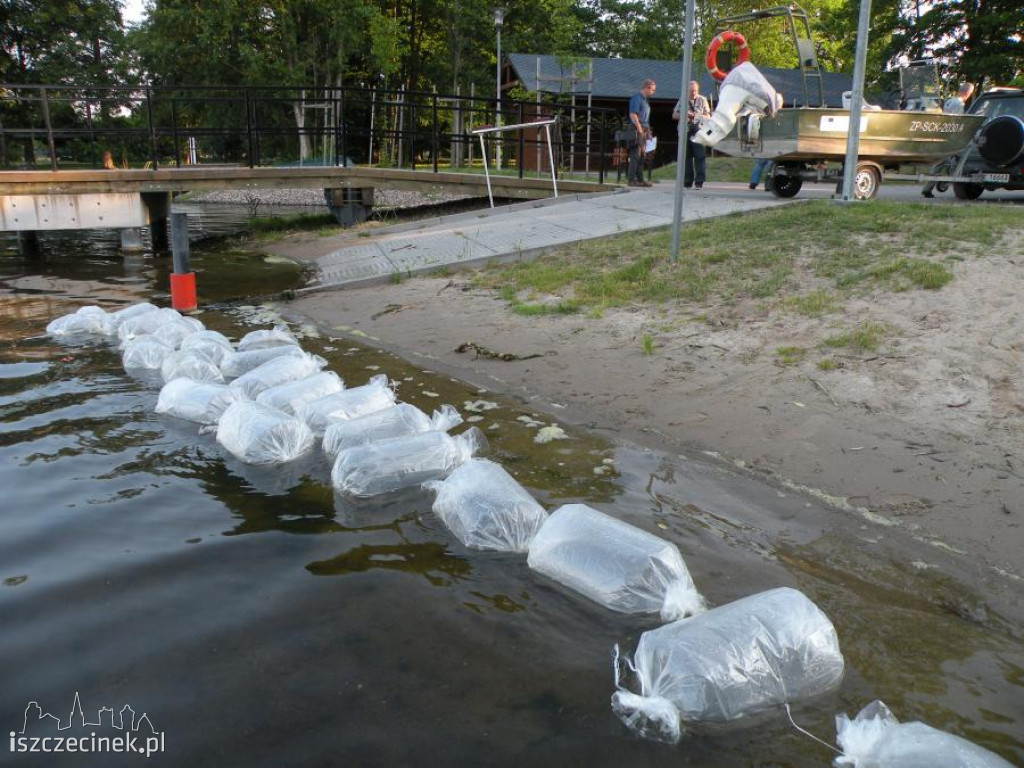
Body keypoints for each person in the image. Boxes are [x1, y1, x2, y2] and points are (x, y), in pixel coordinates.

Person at [922, 83, 975, 198]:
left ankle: (937, 184)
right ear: (967, 92)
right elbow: (957, 122)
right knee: (944, 161)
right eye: (970, 93)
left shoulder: (950, 101)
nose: (969, 95)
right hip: (951, 136)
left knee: (944, 161)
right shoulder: (959, 104)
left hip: (944, 134)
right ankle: (928, 188)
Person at [673, 80, 711, 189]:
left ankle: (699, 181)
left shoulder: (702, 100)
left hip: (699, 131)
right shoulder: (683, 99)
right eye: (691, 91)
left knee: (700, 156)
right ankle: (687, 180)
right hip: (685, 131)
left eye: (695, 91)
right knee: (686, 157)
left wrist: (697, 116)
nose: (693, 93)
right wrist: (686, 114)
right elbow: (675, 115)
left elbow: (708, 117)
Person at [627, 79, 656, 187]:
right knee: (635, 154)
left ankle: (640, 179)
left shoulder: (645, 101)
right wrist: (639, 129)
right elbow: (633, 114)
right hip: (636, 129)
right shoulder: (637, 98)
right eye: (652, 90)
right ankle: (631, 180)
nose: (653, 92)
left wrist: (648, 133)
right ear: (647, 87)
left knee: (642, 155)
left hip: (644, 129)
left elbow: (645, 119)